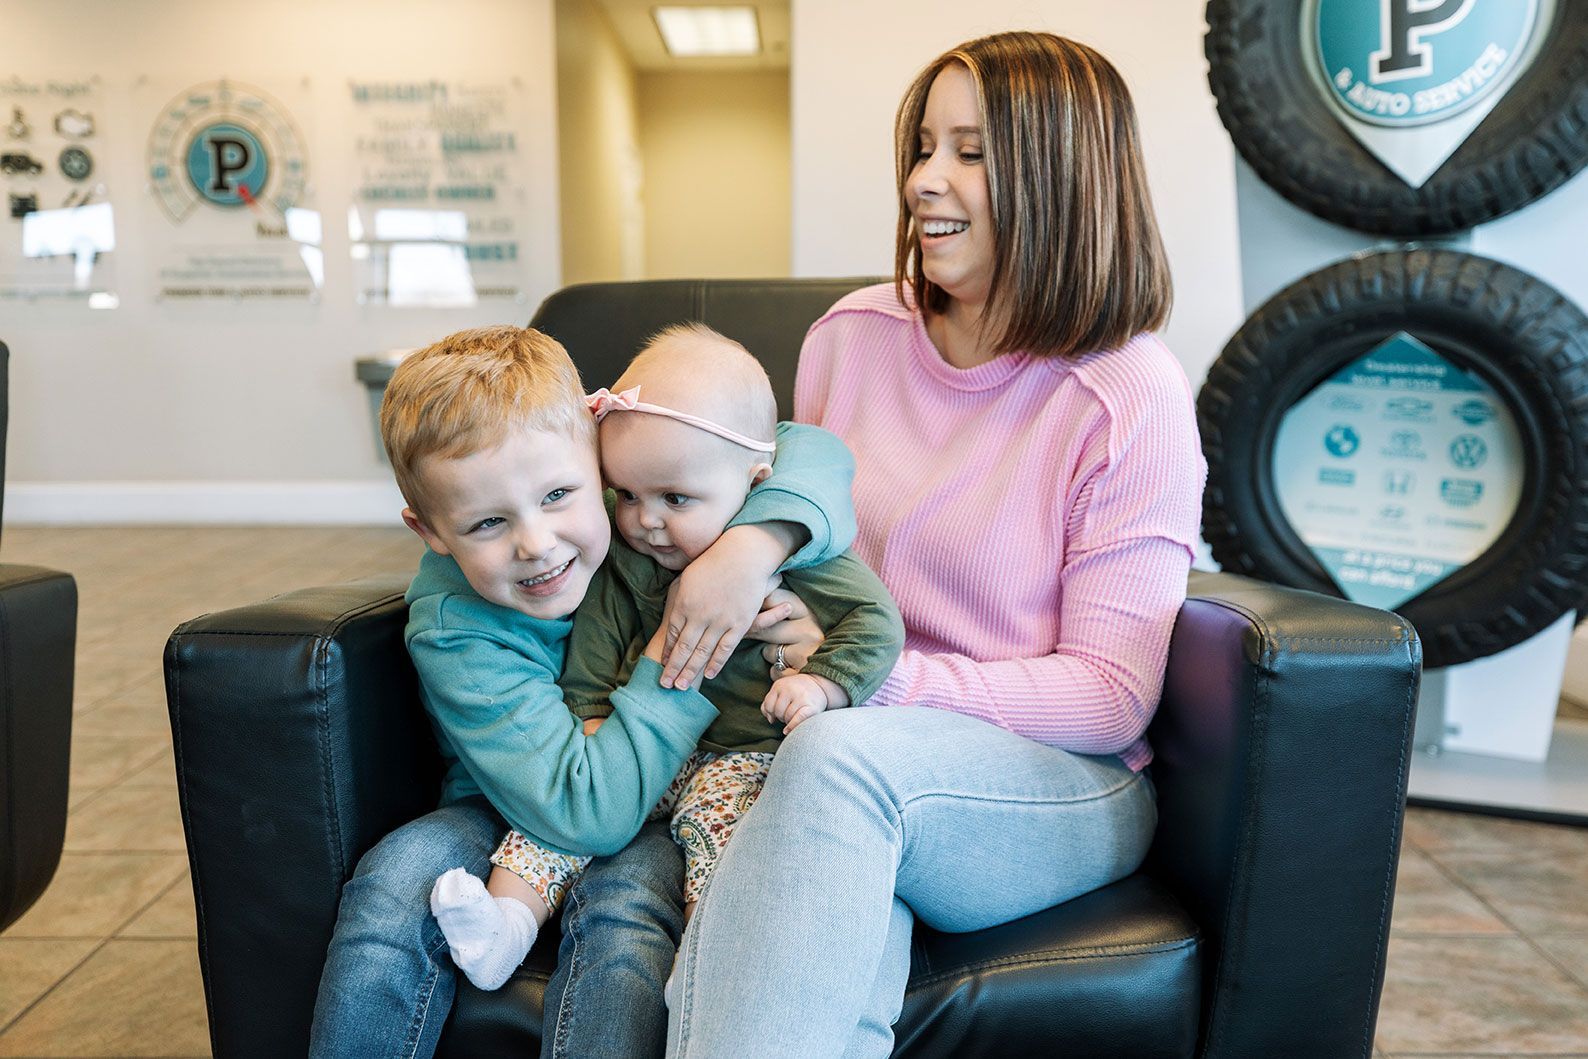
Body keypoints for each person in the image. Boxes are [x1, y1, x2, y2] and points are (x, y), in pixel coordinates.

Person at [543, 30, 1205, 1055]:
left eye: (971, 152)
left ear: (1065, 174)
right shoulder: (852, 336)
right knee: (833, 866)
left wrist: (866, 679)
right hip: (831, 744)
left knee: (841, 764)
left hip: (1058, 779)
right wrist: (749, 548)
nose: (922, 181)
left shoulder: (1128, 394)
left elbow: (1110, 695)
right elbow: (800, 480)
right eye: (924, 145)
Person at [307, 324, 859, 1058]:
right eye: (488, 522)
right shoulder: (454, 627)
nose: (537, 543)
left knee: (624, 906)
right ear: (430, 530)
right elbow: (582, 810)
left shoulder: (636, 495)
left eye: (560, 494)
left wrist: (750, 549)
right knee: (395, 881)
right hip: (517, 799)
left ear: (598, 451)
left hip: (687, 786)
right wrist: (680, 637)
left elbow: (809, 447)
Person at [426, 323, 904, 992]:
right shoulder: (628, 559)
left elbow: (876, 621)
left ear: (754, 481)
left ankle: (717, 956)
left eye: (674, 499)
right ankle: (505, 924)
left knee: (723, 835)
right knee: (547, 828)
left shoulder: (800, 550)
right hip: (643, 752)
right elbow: (596, 645)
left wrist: (826, 683)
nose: (645, 521)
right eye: (627, 495)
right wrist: (591, 716)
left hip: (743, 750)